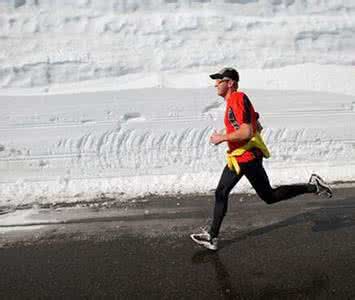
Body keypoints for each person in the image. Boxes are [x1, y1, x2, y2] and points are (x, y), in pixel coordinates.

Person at [190, 67, 333, 251]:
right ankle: (212, 236)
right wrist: (235, 133)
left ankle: (313, 186)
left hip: (247, 158)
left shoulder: (237, 98)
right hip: (241, 156)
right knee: (232, 193)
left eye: (219, 80)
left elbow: (248, 131)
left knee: (260, 195)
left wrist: (222, 137)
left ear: (230, 83)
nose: (215, 84)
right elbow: (256, 124)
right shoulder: (235, 101)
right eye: (216, 80)